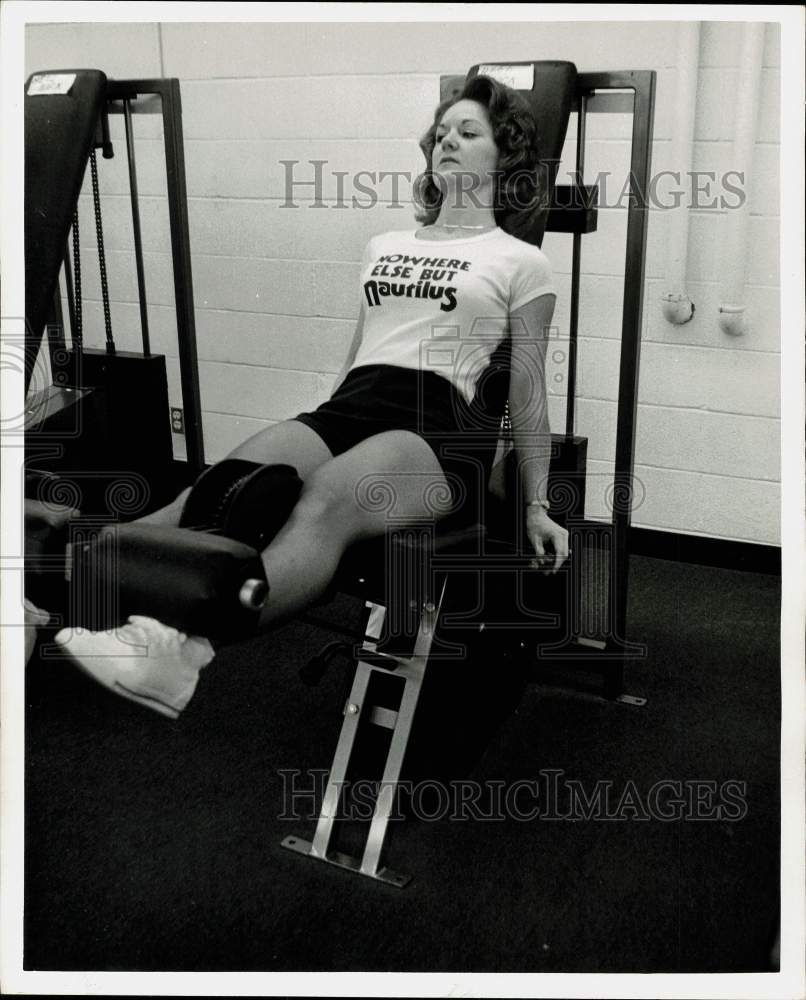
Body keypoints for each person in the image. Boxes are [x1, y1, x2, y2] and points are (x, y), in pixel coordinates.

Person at [51, 74, 570, 719]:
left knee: (323, 503)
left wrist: (537, 504)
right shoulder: (387, 244)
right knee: (217, 488)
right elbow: (362, 352)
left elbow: (527, 385)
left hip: (439, 428)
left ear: (505, 156)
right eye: (441, 134)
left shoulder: (521, 260)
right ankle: (61, 588)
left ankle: (181, 656)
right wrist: (319, 433)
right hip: (354, 404)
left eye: (469, 133)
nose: (448, 143)